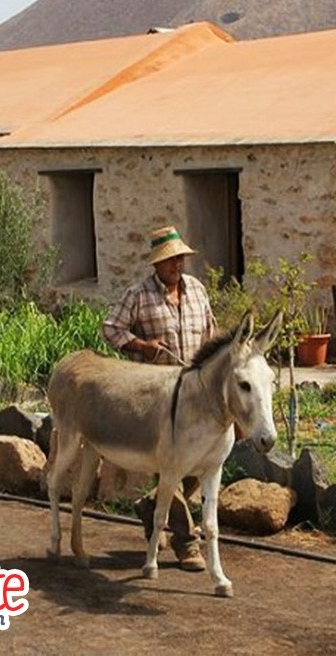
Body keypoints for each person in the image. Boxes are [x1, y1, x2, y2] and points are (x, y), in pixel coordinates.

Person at [102, 225, 218, 572]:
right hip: (157, 396)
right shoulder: (137, 295)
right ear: (156, 264)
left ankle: (151, 505)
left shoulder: (196, 290)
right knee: (172, 466)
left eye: (180, 259)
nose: (176, 265)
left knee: (200, 463)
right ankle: (186, 544)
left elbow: (211, 333)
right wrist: (141, 346)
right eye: (170, 261)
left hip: (195, 394)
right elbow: (111, 329)